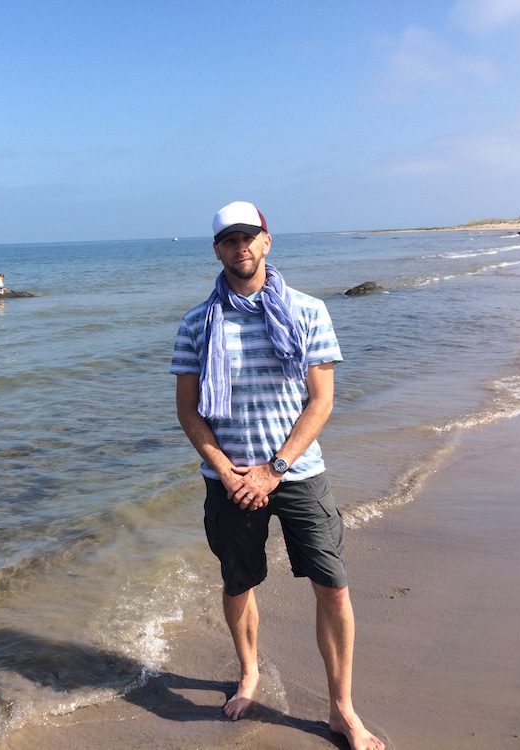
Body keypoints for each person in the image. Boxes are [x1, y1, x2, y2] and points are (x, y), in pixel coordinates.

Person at [170, 201, 383, 750]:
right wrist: (227, 469)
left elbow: (321, 400)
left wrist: (273, 468)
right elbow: (189, 410)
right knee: (238, 582)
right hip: (230, 478)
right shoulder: (197, 322)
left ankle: (342, 709)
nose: (240, 246)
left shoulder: (308, 311)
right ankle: (249, 672)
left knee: (332, 587)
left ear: (267, 242)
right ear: (217, 249)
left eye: (249, 236)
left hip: (298, 472)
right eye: (228, 239)